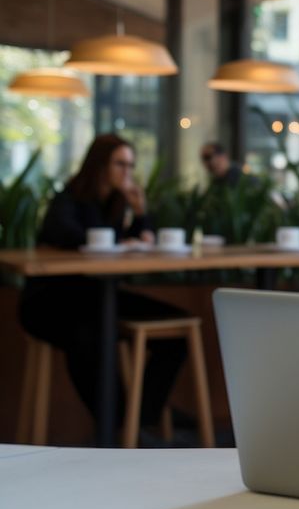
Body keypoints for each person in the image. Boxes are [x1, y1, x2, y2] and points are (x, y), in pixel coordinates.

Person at [19, 133, 188, 432]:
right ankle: (121, 424)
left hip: (97, 297)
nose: (127, 172)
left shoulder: (115, 204)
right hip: (50, 301)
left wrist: (140, 213)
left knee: (177, 332)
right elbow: (65, 234)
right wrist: (112, 240)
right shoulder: (68, 199)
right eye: (120, 164)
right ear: (100, 165)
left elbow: (136, 245)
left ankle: (138, 421)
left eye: (131, 165)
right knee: (88, 336)